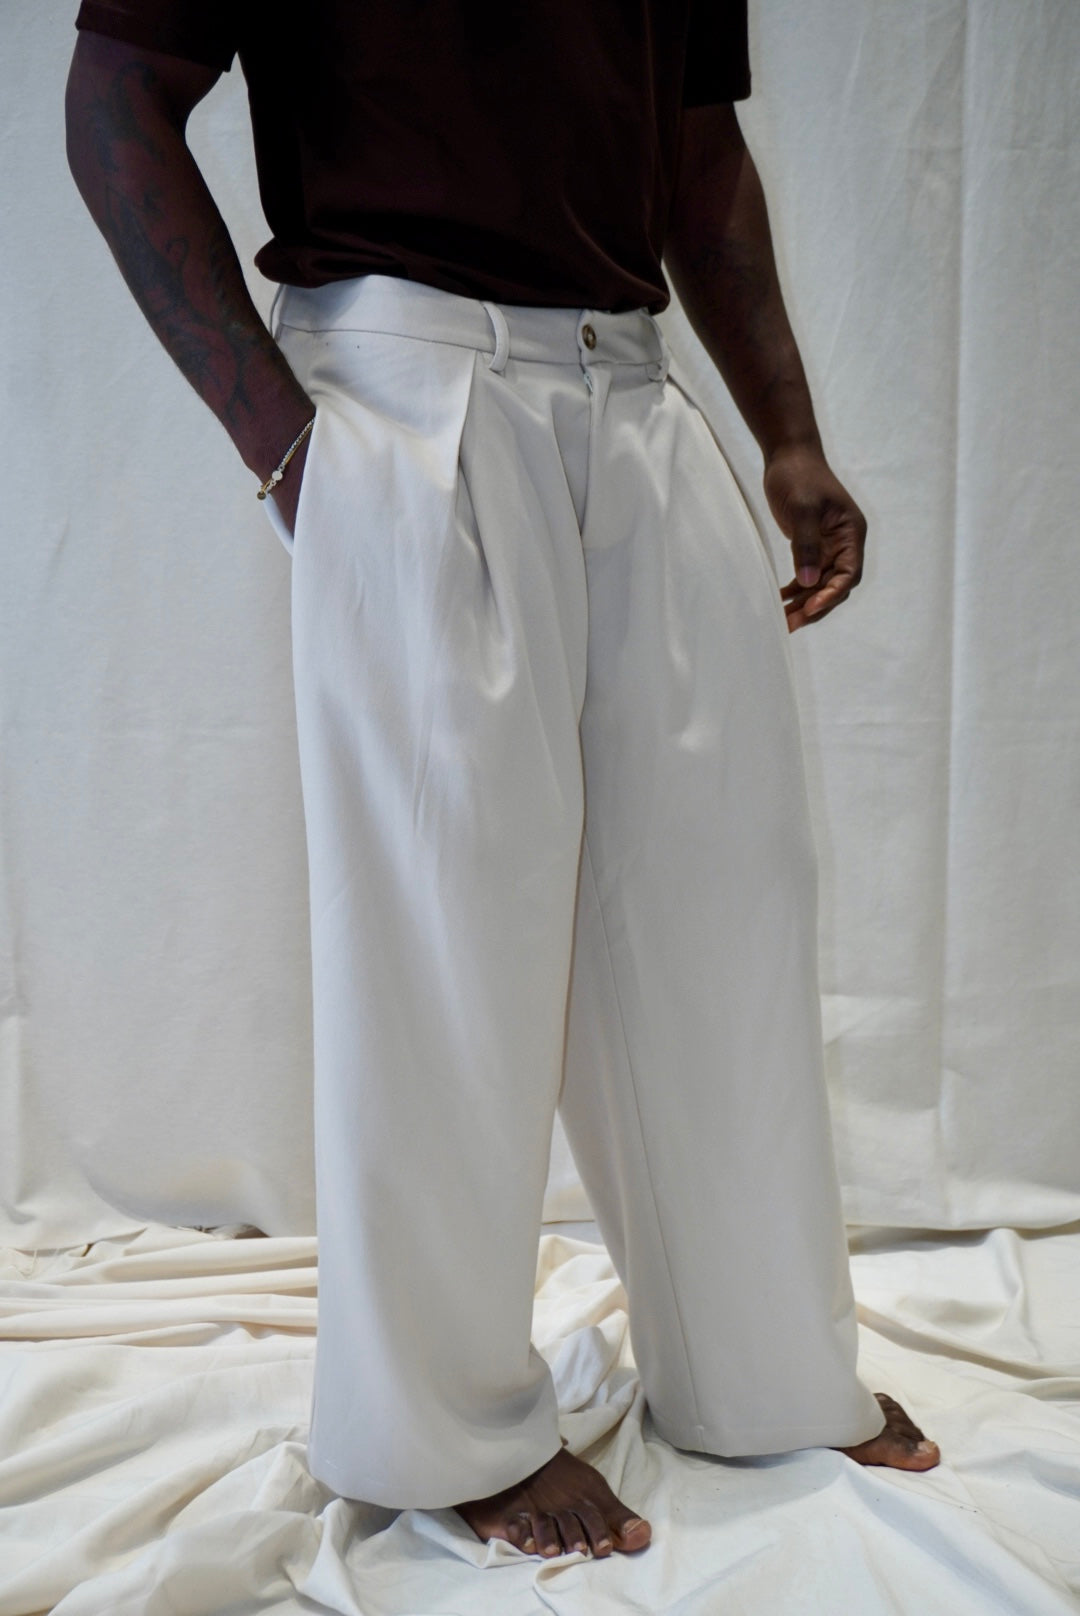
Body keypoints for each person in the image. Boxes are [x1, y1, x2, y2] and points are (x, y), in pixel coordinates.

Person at [65, 0, 941, 1562]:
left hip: (640, 390)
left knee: (726, 904)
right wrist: (283, 443)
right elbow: (118, 93)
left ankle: (760, 1374)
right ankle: (442, 1427)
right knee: (448, 926)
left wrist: (789, 432)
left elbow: (695, 135)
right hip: (404, 380)